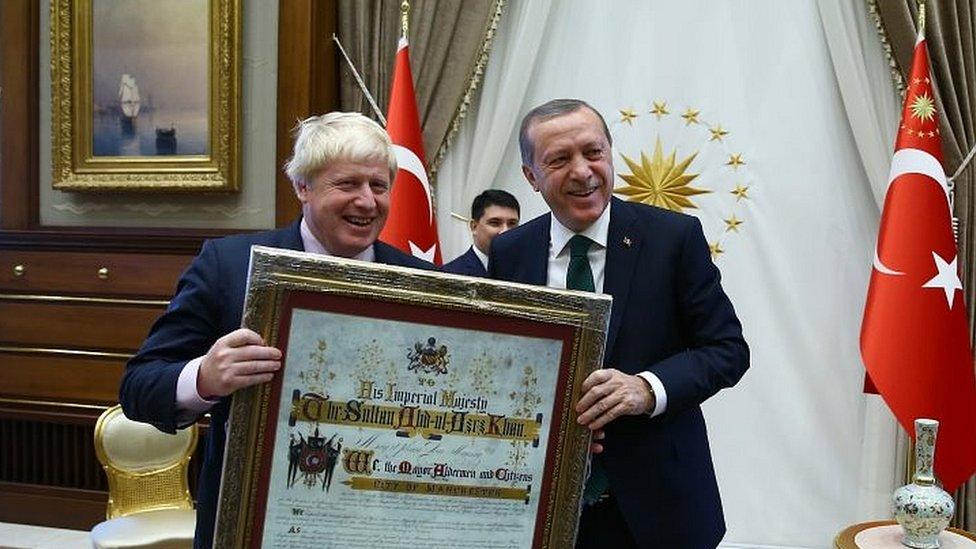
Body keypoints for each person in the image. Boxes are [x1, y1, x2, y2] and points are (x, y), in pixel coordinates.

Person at [118, 112, 432, 548]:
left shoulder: (423, 280)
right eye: (347, 184)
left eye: (378, 186)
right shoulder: (227, 266)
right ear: (303, 187)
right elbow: (138, 387)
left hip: (383, 523)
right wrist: (205, 378)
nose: (367, 201)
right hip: (256, 521)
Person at [489, 99, 749, 548]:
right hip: (541, 505)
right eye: (559, 159)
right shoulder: (511, 251)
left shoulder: (673, 238)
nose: (583, 171)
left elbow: (727, 350)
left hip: (660, 508)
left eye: (593, 152)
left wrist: (646, 388)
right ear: (531, 176)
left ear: (611, 154)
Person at [442, 189, 520, 276]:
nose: (505, 231)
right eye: (495, 223)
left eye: (512, 223)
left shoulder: (529, 270)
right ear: (474, 227)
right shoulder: (450, 274)